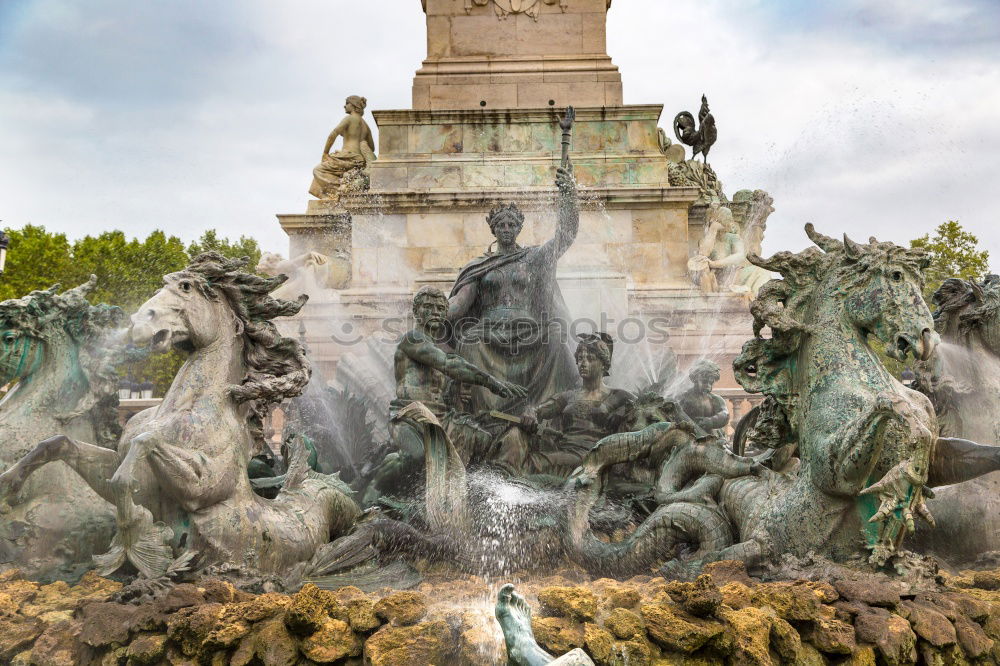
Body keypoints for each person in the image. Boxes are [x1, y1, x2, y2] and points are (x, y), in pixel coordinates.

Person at [361, 287, 526, 507]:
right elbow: (449, 364)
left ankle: (475, 498)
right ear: (417, 312)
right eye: (429, 307)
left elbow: (448, 384)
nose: (436, 312)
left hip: (442, 418)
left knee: (485, 442)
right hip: (411, 418)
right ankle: (370, 493)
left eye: (440, 308)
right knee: (418, 456)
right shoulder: (412, 339)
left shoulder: (436, 347)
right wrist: (492, 382)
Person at [448, 165, 580, 414]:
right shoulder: (480, 266)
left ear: (519, 228)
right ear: (493, 229)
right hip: (489, 330)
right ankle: (487, 414)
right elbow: (460, 303)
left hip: (527, 328)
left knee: (554, 338)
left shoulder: (533, 258)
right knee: (470, 339)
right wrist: (436, 314)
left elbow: (567, 235)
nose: (506, 229)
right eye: (501, 225)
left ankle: (548, 410)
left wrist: (568, 195)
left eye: (511, 225)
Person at [494, 333, 634, 479]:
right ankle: (500, 481)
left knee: (535, 462)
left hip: (590, 456)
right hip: (562, 449)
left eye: (590, 359)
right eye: (580, 358)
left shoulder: (619, 396)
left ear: (604, 364)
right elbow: (540, 410)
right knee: (515, 434)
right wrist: (531, 413)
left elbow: (648, 410)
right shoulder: (568, 396)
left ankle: (511, 480)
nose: (583, 363)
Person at [309, 95, 376, 200]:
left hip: (347, 157)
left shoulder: (349, 118)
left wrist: (325, 153)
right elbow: (372, 147)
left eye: (347, 103)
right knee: (324, 169)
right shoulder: (365, 125)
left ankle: (338, 192)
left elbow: (333, 134)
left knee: (318, 170)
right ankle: (335, 192)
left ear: (353, 105)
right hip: (359, 159)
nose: (344, 106)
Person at [676, 359, 730, 438]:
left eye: (710, 383)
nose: (707, 385)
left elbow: (725, 414)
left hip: (712, 438)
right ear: (694, 379)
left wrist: (711, 421)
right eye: (704, 382)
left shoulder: (715, 399)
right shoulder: (684, 398)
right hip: (690, 438)